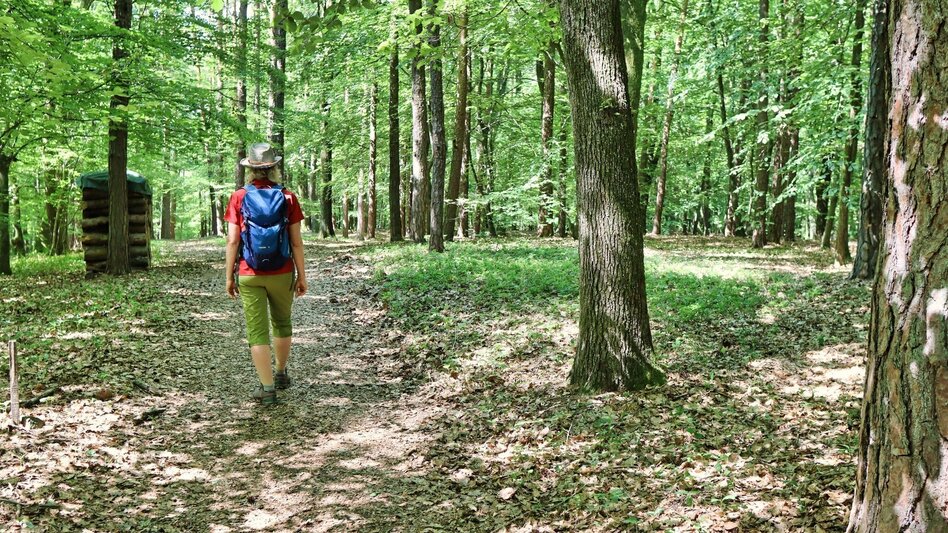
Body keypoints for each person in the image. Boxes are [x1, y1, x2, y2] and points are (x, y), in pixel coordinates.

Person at [224, 143, 307, 405]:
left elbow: (232, 241)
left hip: (250, 271)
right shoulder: (289, 197)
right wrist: (302, 275)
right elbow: (296, 242)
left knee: (257, 332)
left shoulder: (238, 197)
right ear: (274, 168)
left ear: (250, 168)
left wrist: (229, 276)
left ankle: (267, 389)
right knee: (282, 323)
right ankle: (281, 373)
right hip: (282, 270)